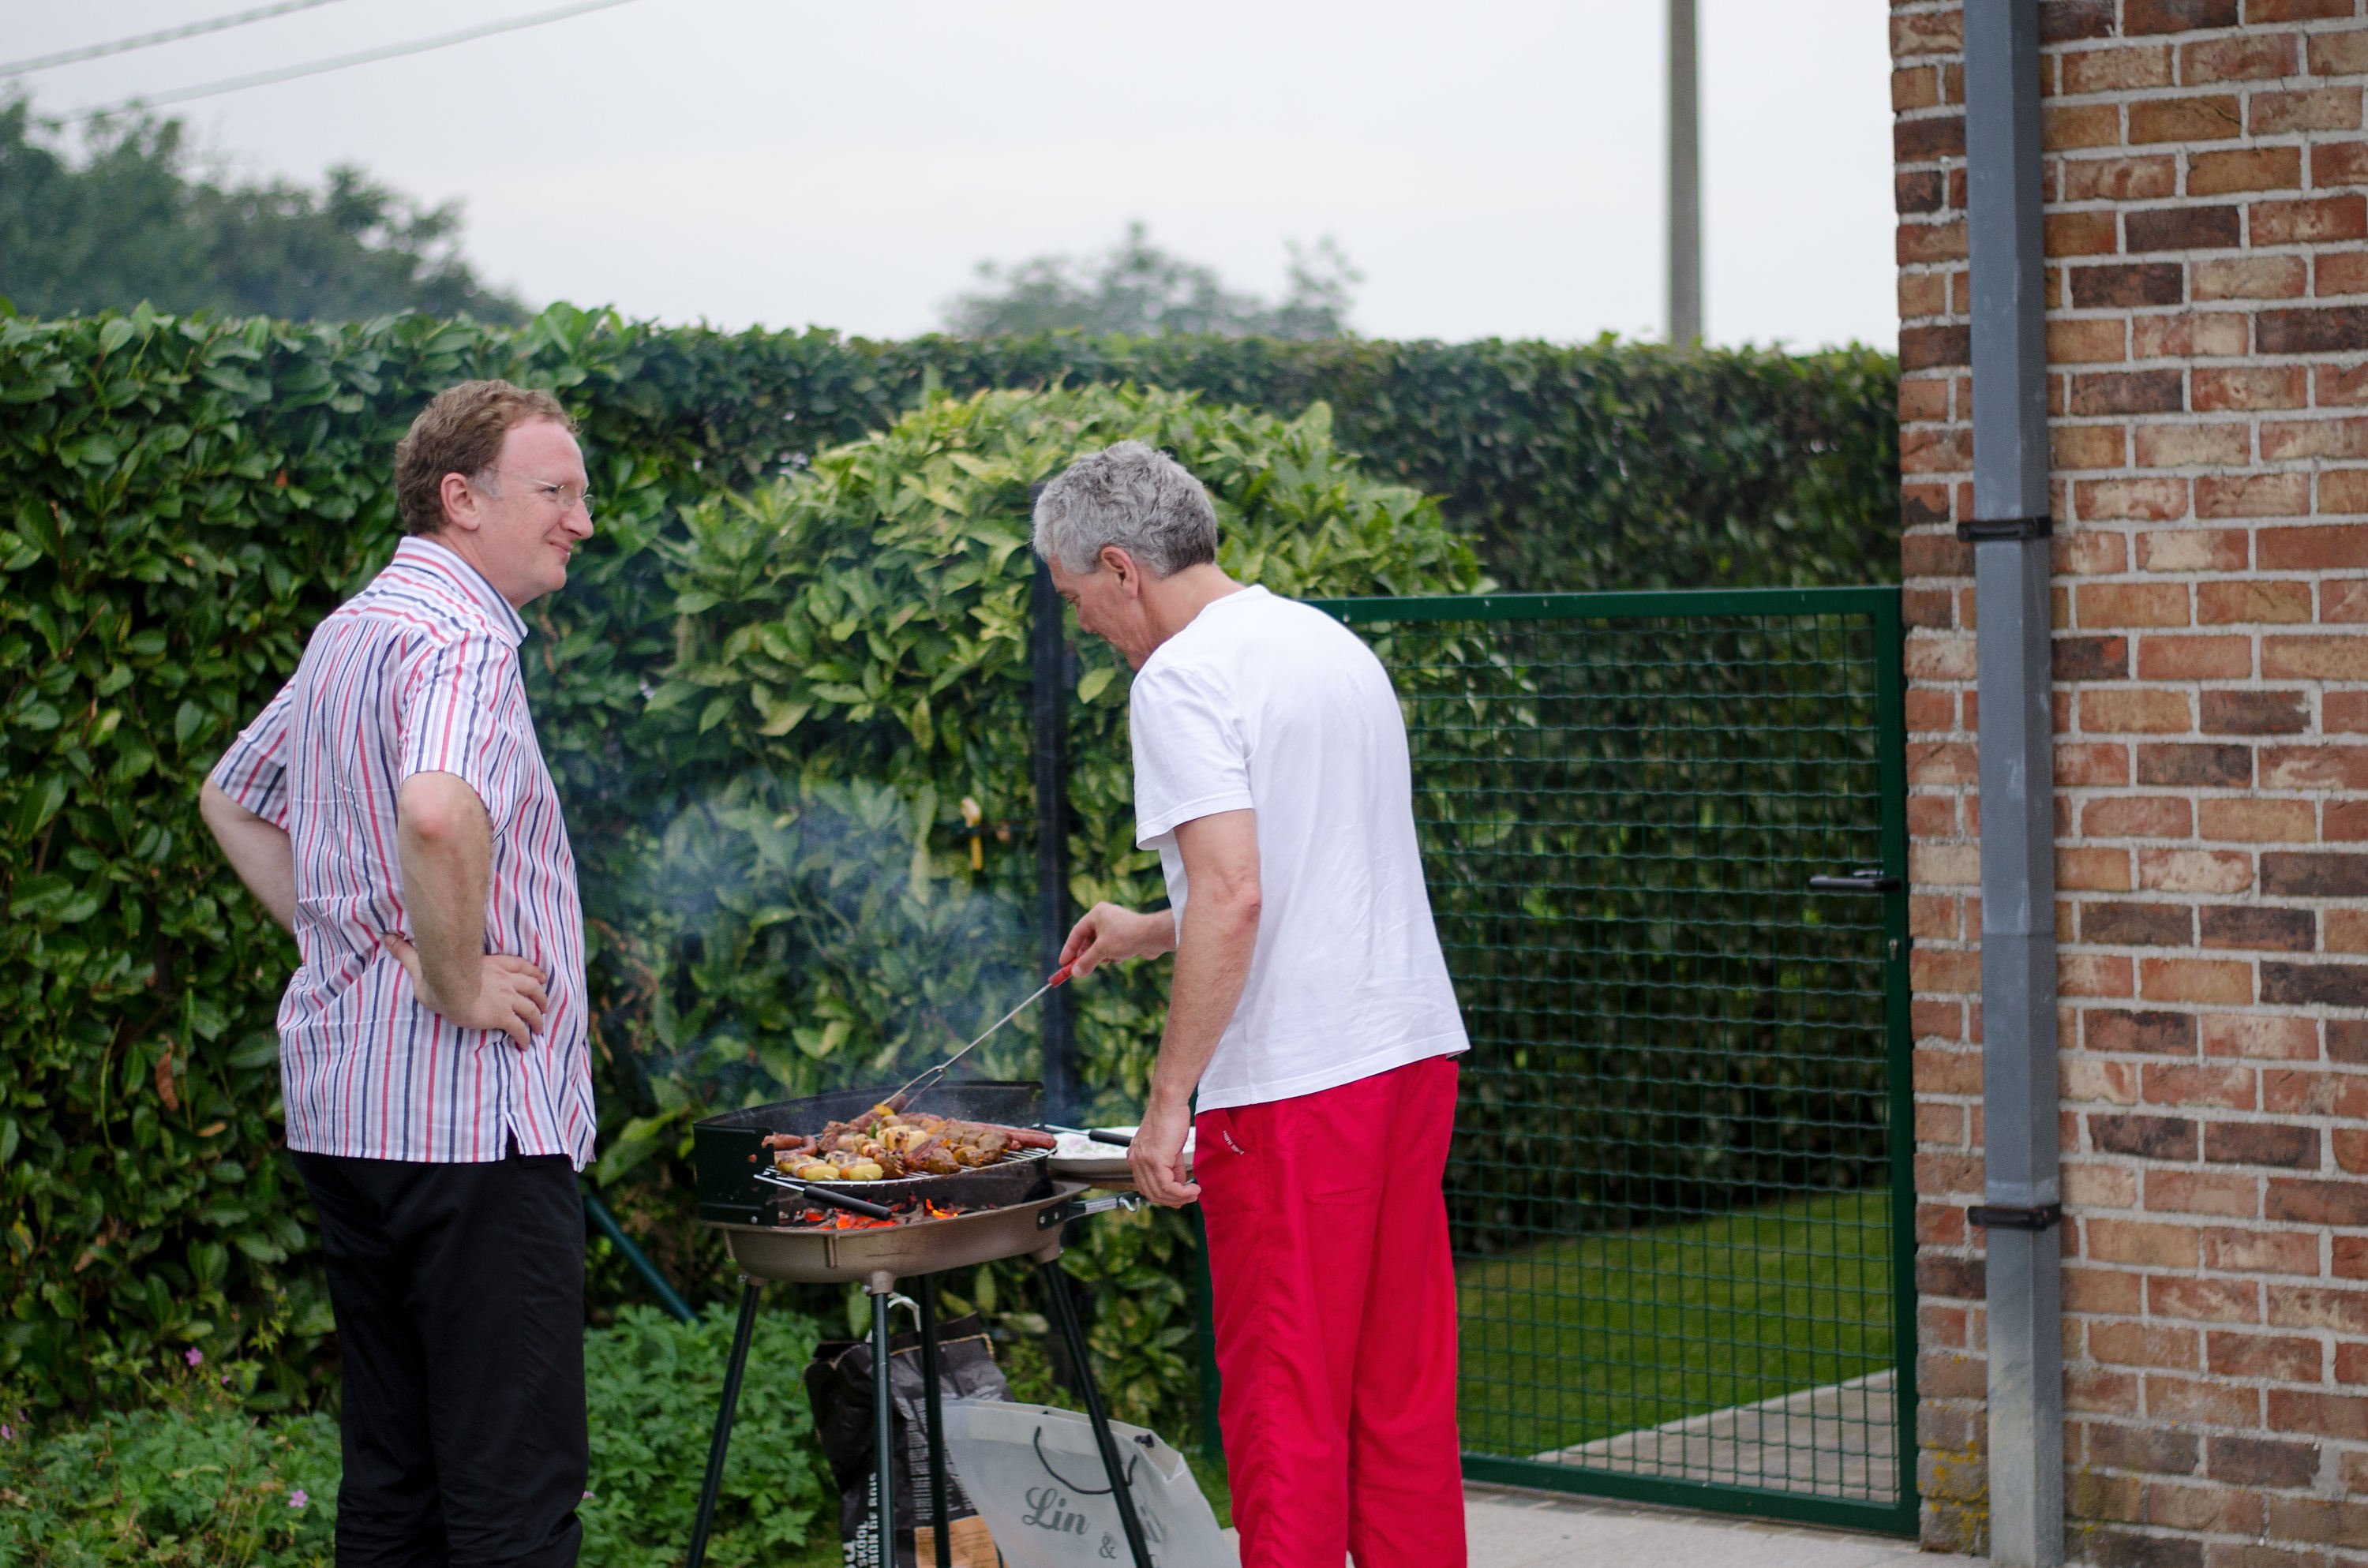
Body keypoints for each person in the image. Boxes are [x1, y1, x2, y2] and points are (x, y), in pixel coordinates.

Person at [1037, 442, 1471, 1568]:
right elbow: (1310, 869)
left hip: (1295, 1091)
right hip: (1409, 1056)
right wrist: (1150, 925)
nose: (1086, 624)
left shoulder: (1181, 678)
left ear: (1122, 568)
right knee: (1400, 1394)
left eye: (1077, 598)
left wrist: (1167, 1101)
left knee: (1286, 1407)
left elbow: (1236, 894)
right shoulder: (1323, 643)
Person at [200, 379, 598, 1568]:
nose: (582, 519)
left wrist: (355, 947)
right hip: (472, 1129)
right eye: (556, 491)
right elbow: (435, 809)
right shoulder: (461, 637)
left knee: (394, 1477)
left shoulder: (355, 630)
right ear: (460, 497)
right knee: (512, 1496)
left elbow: (232, 797)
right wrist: (456, 980)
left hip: (350, 1117)